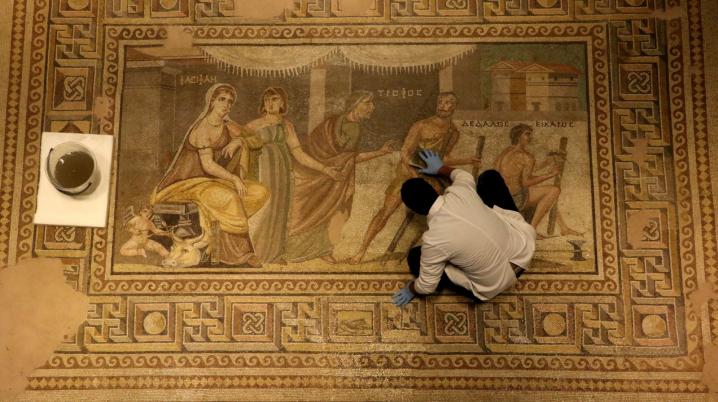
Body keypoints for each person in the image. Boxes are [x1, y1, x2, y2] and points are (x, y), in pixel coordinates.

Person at [392, 150, 536, 306]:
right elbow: (462, 175)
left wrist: (411, 289)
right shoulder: (460, 191)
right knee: (489, 178)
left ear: (417, 211)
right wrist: (441, 168)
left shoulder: (433, 241)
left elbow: (427, 286)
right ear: (434, 190)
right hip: (525, 249)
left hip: (495, 285)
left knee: (415, 257)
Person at [349, 92, 479, 263]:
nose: (443, 105)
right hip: (407, 173)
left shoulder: (453, 132)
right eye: (440, 101)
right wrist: (413, 175)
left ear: (454, 106)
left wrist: (468, 160)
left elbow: (442, 158)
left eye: (448, 102)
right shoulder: (421, 125)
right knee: (385, 212)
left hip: (429, 176)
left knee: (440, 214)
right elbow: (405, 152)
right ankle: (362, 251)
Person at [152, 83, 268, 267]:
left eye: (230, 102)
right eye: (222, 99)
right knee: (231, 198)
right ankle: (242, 253)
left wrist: (238, 141)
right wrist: (234, 178)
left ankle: (222, 237)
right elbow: (208, 165)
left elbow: (257, 140)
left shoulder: (229, 125)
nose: (226, 105)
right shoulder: (202, 129)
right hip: (189, 184)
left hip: (214, 181)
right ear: (211, 101)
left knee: (259, 191)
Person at [285, 90, 396, 263]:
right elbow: (315, 148)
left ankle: (322, 249)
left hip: (338, 177)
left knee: (331, 212)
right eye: (367, 103)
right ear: (355, 104)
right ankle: (295, 249)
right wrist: (327, 166)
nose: (371, 107)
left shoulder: (356, 127)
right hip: (317, 173)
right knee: (312, 209)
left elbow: (350, 158)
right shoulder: (331, 124)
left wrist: (379, 152)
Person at [245, 87, 343, 263]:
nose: (270, 103)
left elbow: (299, 154)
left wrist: (325, 169)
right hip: (262, 172)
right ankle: (256, 253)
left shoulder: (287, 126)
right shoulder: (253, 125)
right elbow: (242, 151)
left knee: (281, 212)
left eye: (274, 99)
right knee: (263, 211)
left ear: (282, 102)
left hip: (283, 174)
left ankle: (275, 254)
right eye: (267, 99)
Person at [494, 123, 581, 238]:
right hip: (515, 199)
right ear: (518, 136)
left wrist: (546, 163)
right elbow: (526, 182)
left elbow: (519, 173)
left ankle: (564, 228)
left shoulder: (505, 152)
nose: (530, 137)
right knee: (553, 191)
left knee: (545, 194)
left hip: (498, 198)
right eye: (527, 134)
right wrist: (550, 174)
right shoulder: (527, 157)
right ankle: (531, 230)